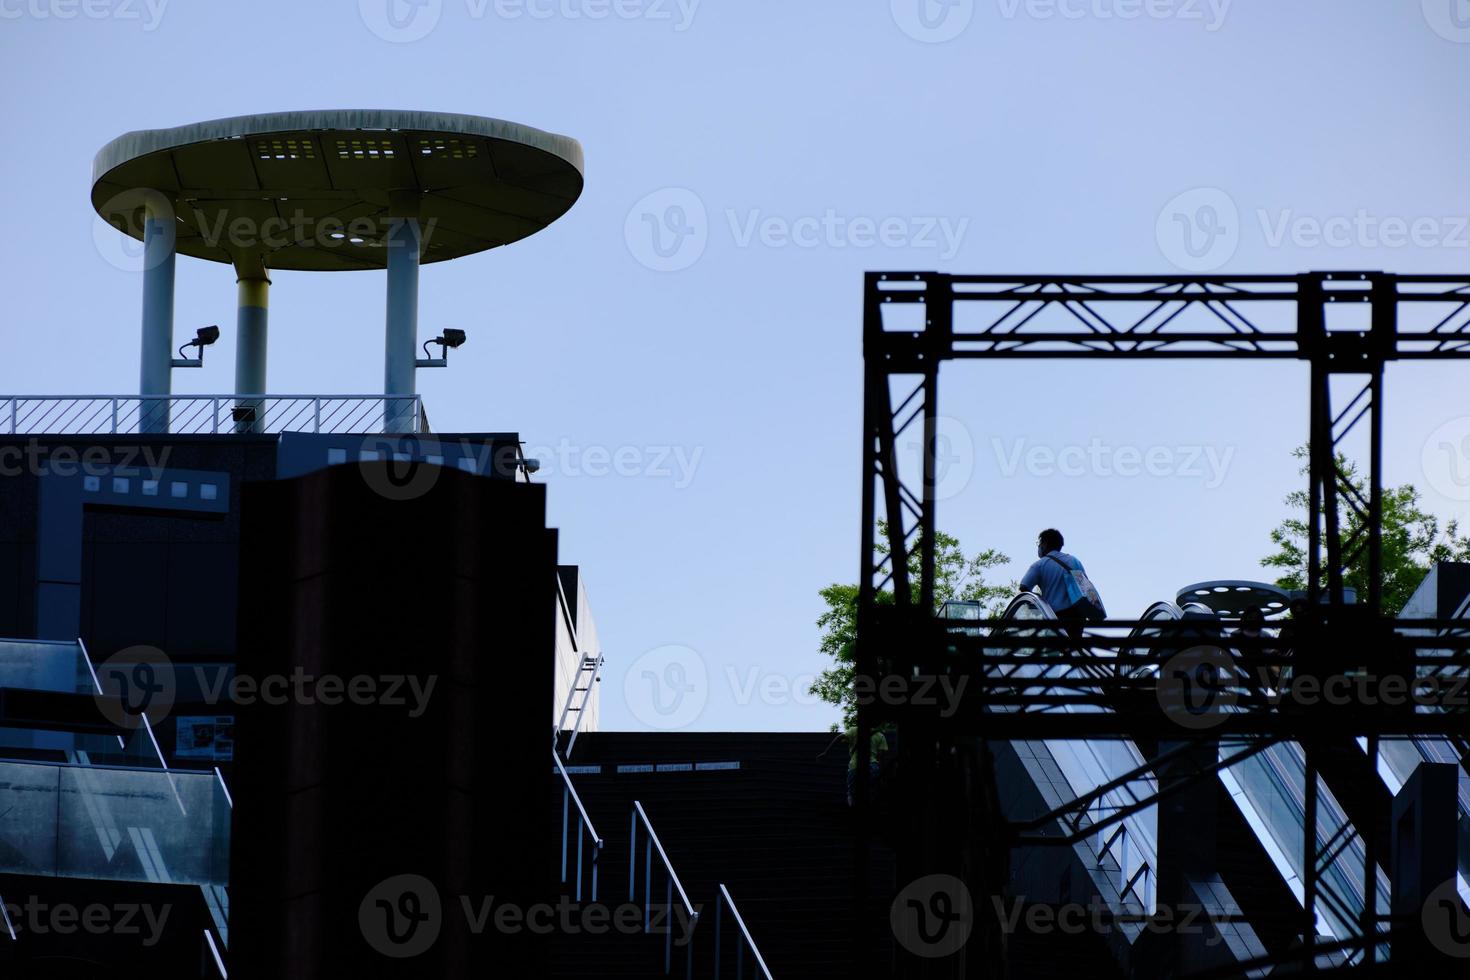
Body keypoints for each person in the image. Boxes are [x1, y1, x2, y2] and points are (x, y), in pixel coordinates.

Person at [1018, 528, 1106, 638]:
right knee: (1074, 648)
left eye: (1039, 543)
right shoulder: (1074, 561)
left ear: (1044, 544)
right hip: (1077, 614)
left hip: (1054, 615)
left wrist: (1035, 607)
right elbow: (1084, 585)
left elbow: (1024, 587)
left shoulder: (1039, 565)